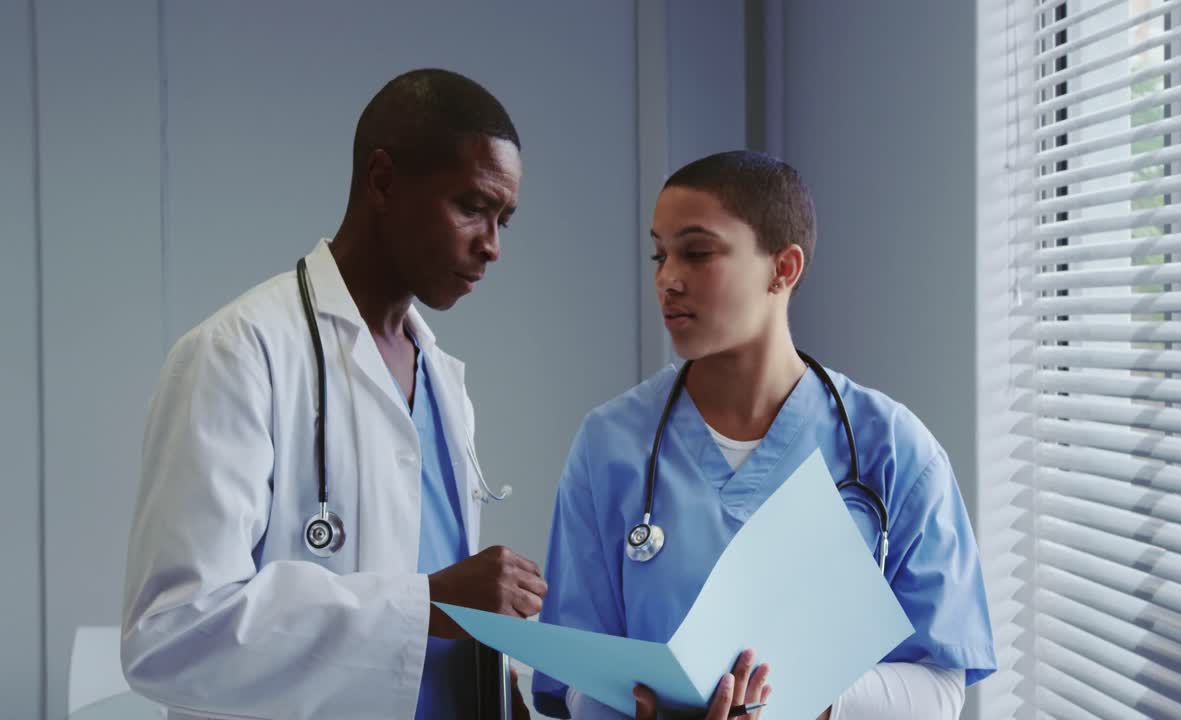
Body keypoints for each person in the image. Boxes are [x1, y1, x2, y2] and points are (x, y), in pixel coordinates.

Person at [121, 68, 545, 719]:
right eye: (471, 207)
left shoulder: (444, 385)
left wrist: (492, 684)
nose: (490, 246)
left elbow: (440, 627)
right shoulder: (239, 354)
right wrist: (429, 603)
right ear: (382, 181)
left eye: (503, 220)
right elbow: (171, 635)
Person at [533, 151, 996, 719]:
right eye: (659, 253)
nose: (667, 278)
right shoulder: (609, 446)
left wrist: (816, 705)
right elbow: (577, 680)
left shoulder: (894, 451)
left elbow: (942, 689)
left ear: (784, 268)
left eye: (697, 252)